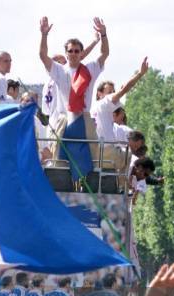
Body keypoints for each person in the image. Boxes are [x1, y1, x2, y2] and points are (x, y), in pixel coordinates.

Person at [39, 16, 109, 181]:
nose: (73, 54)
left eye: (77, 51)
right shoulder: (59, 70)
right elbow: (42, 55)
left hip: (84, 118)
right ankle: (61, 187)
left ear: (81, 53)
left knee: (92, 157)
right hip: (64, 120)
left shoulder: (89, 69)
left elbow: (105, 53)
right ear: (66, 53)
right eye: (70, 51)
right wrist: (44, 35)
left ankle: (88, 186)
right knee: (59, 158)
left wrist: (104, 35)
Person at [91, 57, 149, 142]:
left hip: (98, 147)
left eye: (113, 91)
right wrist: (140, 74)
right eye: (109, 91)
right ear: (99, 94)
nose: (112, 93)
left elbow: (123, 88)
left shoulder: (93, 107)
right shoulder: (105, 102)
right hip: (106, 148)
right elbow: (124, 89)